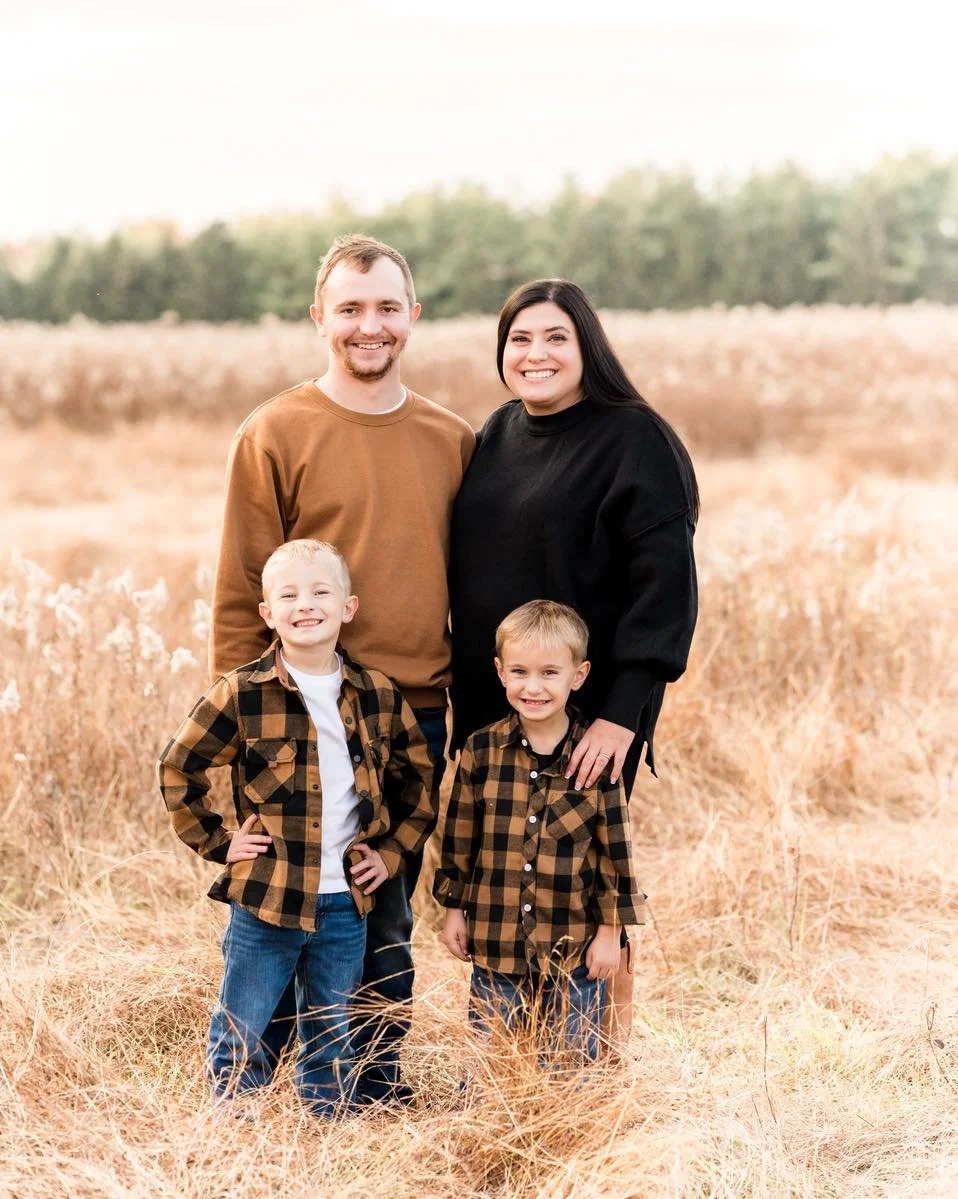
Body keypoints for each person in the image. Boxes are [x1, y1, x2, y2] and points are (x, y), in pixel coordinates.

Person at [209, 234, 475, 1104]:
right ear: (319, 316)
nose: (370, 326)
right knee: (281, 906)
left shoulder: (452, 439)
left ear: (413, 316)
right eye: (351, 308)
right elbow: (241, 590)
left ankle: (367, 1081)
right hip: (297, 716)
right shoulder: (274, 433)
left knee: (380, 904)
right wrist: (243, 734)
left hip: (412, 717)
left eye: (387, 308)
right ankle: (252, 1084)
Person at [448, 279, 698, 1048]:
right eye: (519, 339)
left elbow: (666, 590)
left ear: (587, 345)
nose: (536, 354)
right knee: (506, 884)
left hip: (587, 716)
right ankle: (514, 1072)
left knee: (583, 891)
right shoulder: (497, 433)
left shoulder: (634, 439)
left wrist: (623, 715)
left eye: (556, 337)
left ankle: (596, 1071)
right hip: (499, 711)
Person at [157, 539, 437, 1115]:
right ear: (267, 613)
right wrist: (220, 843)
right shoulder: (241, 692)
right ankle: (235, 1117)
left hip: (347, 901)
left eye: (319, 592)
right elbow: (179, 767)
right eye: (288, 595)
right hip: (268, 895)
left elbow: (420, 783)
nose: (304, 605)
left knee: (332, 1027)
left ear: (348, 608)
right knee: (245, 1021)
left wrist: (390, 853)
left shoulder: (377, 694)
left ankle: (325, 1121)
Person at [434, 600, 642, 1063]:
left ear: (578, 675)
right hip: (497, 942)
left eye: (549, 673)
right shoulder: (481, 750)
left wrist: (609, 933)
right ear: (500, 672)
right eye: (520, 672)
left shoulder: (596, 756)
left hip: (573, 948)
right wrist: (453, 910)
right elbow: (460, 839)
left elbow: (616, 856)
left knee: (570, 1065)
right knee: (489, 1063)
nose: (533, 687)